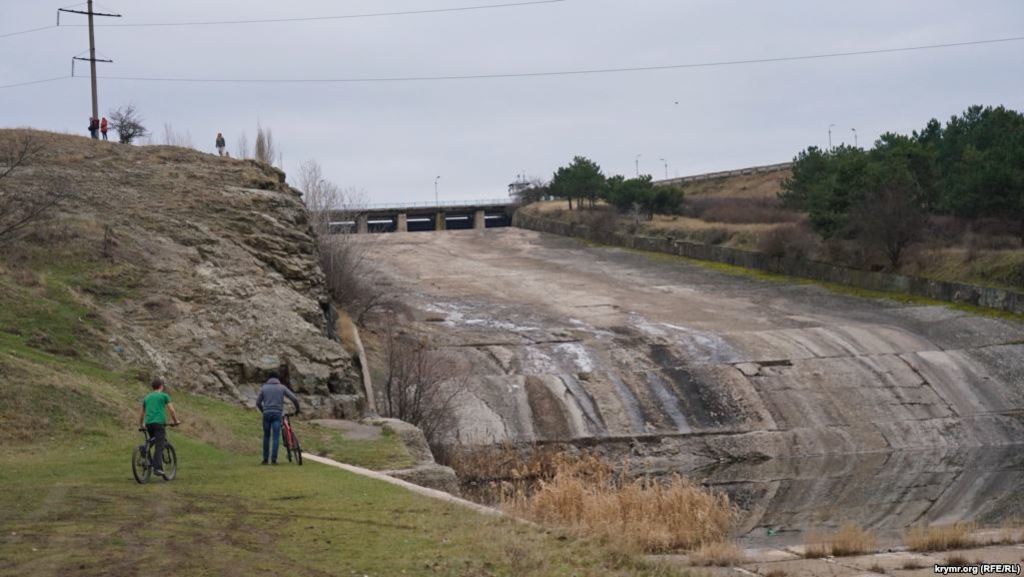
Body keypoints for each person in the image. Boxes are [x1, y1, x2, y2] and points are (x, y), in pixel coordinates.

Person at [137, 378, 181, 478]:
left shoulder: (147, 397)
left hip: (149, 424)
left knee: (152, 441)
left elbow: (142, 413)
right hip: (159, 424)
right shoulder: (164, 396)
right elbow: (172, 410)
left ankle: (144, 450)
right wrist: (175, 421)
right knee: (159, 445)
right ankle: (157, 468)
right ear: (161, 386)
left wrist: (141, 425)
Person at [256, 372, 300, 465]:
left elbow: (258, 403)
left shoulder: (264, 388)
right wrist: (297, 409)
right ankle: (274, 460)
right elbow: (294, 399)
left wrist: (263, 411)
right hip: (277, 414)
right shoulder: (282, 387)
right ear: (277, 379)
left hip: (266, 414)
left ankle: (265, 459)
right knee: (276, 436)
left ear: (269, 378)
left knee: (266, 436)